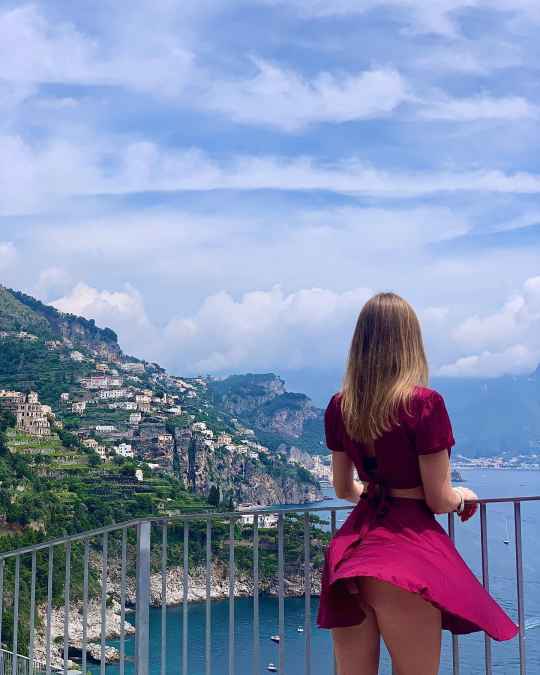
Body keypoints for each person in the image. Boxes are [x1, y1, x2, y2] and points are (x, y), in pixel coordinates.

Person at [316, 292, 518, 675]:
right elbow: (439, 499)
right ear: (410, 341)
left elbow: (343, 489)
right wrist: (463, 497)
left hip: (351, 551)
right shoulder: (424, 405)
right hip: (402, 554)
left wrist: (374, 493)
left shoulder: (340, 406)